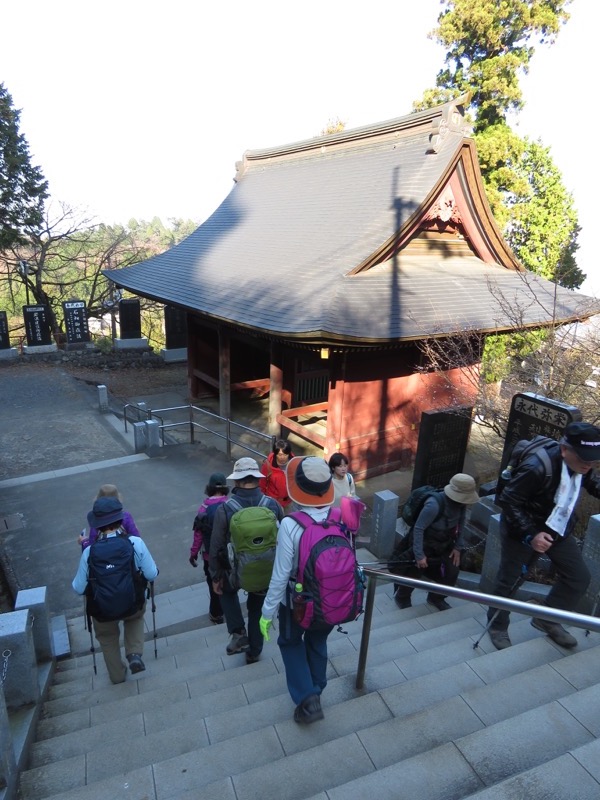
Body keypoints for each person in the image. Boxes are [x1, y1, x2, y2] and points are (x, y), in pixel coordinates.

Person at [487, 421, 600, 651]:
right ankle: (497, 625)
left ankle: (547, 617)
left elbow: (593, 483)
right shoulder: (537, 467)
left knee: (578, 577)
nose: (589, 464)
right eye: (584, 458)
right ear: (564, 449)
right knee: (508, 581)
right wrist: (531, 534)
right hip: (522, 530)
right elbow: (509, 500)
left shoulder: (580, 466)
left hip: (558, 526)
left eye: (593, 459)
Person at [259, 456, 337, 725]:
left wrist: (266, 613)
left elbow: (280, 576)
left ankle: (307, 698)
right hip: (331, 599)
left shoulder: (291, 524)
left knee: (290, 642)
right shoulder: (338, 517)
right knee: (318, 641)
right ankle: (317, 689)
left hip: (298, 602)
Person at [72, 496, 159, 684]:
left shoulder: (90, 552)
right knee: (135, 618)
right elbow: (151, 574)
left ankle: (117, 675)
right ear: (121, 520)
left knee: (107, 637)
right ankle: (134, 654)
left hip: (102, 609)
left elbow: (78, 588)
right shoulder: (135, 543)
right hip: (132, 601)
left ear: (98, 525)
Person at [209, 457, 283, 664]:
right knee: (257, 607)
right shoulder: (273, 505)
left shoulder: (225, 509)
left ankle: (238, 632)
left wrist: (216, 576)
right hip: (266, 570)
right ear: (258, 480)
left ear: (237, 482)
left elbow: (215, 547)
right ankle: (255, 650)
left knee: (224, 590)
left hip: (236, 572)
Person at [391, 473, 479, 611]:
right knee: (414, 570)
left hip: (445, 541)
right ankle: (402, 596)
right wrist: (419, 555)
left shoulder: (461, 505)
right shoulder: (433, 504)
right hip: (425, 541)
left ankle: (436, 597)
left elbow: (461, 523)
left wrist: (458, 547)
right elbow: (419, 529)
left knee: (452, 572)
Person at [189, 472, 229, 624]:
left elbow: (198, 535)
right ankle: (228, 609)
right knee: (227, 583)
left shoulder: (203, 508)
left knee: (213, 583)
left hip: (209, 556)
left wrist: (193, 554)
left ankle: (216, 614)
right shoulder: (229, 505)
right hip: (227, 554)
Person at [78, 484, 140, 549]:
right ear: (117, 499)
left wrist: (83, 541)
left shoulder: (97, 519)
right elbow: (136, 537)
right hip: (125, 552)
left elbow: (91, 546)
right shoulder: (126, 516)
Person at [260, 439, 295, 511]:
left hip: (290, 501)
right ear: (275, 454)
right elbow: (262, 483)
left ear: (289, 453)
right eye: (279, 455)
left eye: (285, 454)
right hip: (273, 502)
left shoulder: (294, 463)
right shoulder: (268, 465)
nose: (282, 457)